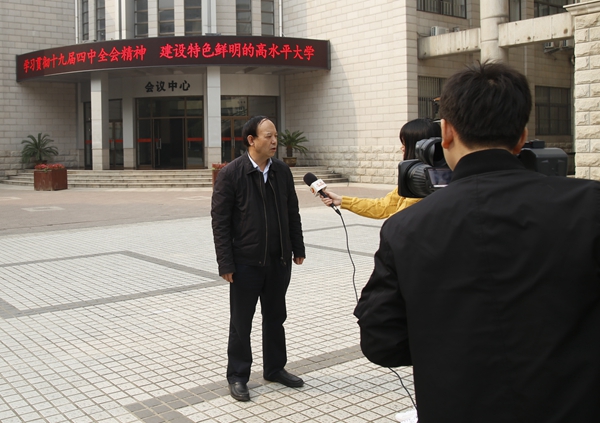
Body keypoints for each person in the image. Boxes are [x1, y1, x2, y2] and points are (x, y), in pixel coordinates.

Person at [354, 62, 600, 422]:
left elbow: (381, 342)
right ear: (522, 136)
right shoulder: (590, 204)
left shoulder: (406, 227)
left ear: (446, 132)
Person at [211, 115, 306, 402]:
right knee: (241, 322)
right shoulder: (231, 174)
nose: (275, 141)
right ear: (251, 140)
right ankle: (238, 376)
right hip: (245, 264)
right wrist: (226, 263)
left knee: (276, 317)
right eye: (268, 136)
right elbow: (220, 222)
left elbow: (292, 212)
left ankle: (275, 368)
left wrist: (297, 247)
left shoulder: (281, 171)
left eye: (276, 135)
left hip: (279, 261)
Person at [320, 118, 440, 218]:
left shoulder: (425, 185)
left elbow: (398, 223)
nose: (402, 148)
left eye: (405, 144)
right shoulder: (412, 179)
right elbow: (384, 206)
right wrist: (342, 200)